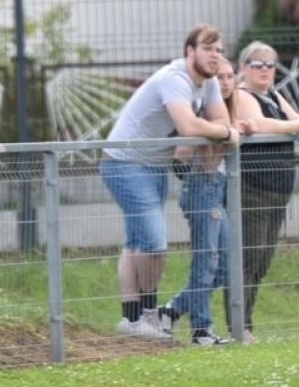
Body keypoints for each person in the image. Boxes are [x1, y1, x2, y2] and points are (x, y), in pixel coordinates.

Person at [100, 24, 238, 340]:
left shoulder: (210, 83)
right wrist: (226, 134)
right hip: (124, 163)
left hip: (154, 165)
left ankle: (131, 320)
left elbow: (221, 120)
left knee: (137, 241)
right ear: (189, 50)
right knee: (154, 241)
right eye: (208, 48)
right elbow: (191, 126)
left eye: (219, 50)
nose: (215, 55)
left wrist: (223, 129)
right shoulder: (174, 78)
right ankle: (148, 316)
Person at [232, 41, 299, 343]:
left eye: (271, 65)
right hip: (253, 187)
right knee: (249, 256)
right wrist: (297, 125)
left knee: (263, 259)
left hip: (279, 188)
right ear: (244, 67)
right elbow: (258, 124)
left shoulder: (274, 94)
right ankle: (239, 326)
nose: (265, 70)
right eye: (258, 64)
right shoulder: (242, 95)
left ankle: (246, 324)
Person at [157, 55, 237, 346]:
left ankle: (171, 309)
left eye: (230, 77)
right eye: (220, 77)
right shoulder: (203, 111)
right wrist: (214, 139)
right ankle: (201, 330)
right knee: (206, 261)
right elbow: (181, 154)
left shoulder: (230, 110)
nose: (225, 82)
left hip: (217, 187)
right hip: (202, 187)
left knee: (225, 265)